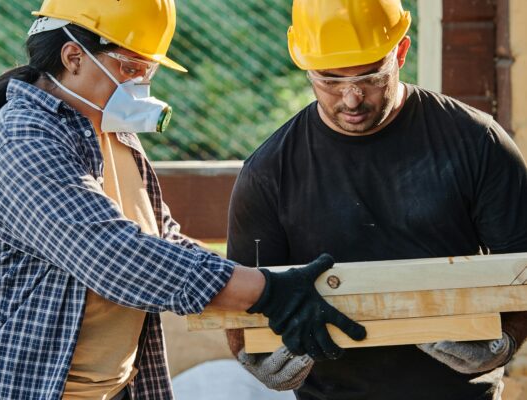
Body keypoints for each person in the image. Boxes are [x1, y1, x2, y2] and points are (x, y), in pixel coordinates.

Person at [0, 1, 366, 399]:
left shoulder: (111, 130)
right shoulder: (23, 139)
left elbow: (163, 239)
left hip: (119, 388)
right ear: (74, 57)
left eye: (148, 71)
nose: (141, 86)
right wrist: (266, 292)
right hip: (37, 386)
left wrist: (253, 300)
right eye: (132, 68)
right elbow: (111, 255)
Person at [226, 0, 527, 399]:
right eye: (330, 80)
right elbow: (236, 299)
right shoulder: (269, 171)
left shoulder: (478, 143)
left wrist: (505, 339)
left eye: (370, 77)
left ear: (400, 51)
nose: (350, 99)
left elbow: (523, 265)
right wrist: (255, 356)